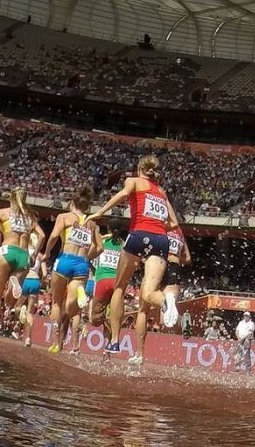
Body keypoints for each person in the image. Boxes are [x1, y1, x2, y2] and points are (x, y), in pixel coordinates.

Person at [87, 154, 181, 365]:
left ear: (139, 168)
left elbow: (122, 195)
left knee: (120, 287)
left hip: (138, 234)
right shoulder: (161, 191)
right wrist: (157, 228)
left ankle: (114, 340)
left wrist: (99, 213)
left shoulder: (133, 181)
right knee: (148, 294)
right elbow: (174, 224)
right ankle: (166, 300)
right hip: (161, 240)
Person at [43, 185, 101, 354]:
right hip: (81, 263)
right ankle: (75, 346)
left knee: (56, 302)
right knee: (71, 308)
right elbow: (99, 248)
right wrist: (87, 258)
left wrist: (46, 253)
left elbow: (54, 236)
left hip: (64, 260)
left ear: (72, 203)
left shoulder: (64, 217)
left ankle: (55, 342)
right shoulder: (91, 223)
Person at [0, 188, 44, 339]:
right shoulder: (29, 217)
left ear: (11, 198)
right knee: (10, 301)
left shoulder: (3, 213)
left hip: (7, 251)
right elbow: (42, 235)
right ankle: (13, 287)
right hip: (23, 256)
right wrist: (34, 254)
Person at [85, 218, 126, 332]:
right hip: (117, 282)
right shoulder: (124, 245)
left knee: (94, 319)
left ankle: (103, 318)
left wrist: (102, 235)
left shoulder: (102, 242)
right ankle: (111, 344)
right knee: (115, 318)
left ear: (108, 228)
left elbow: (88, 255)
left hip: (102, 280)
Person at [19, 230, 47, 346]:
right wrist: (41, 282)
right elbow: (45, 274)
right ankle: (28, 338)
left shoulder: (23, 252)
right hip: (35, 280)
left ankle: (21, 311)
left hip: (25, 279)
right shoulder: (40, 256)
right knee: (31, 311)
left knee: (17, 307)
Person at [161, 224, 191, 330]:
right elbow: (187, 259)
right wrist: (176, 257)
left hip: (160, 263)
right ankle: (182, 320)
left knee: (162, 311)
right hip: (175, 267)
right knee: (170, 308)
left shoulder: (161, 227)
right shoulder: (180, 233)